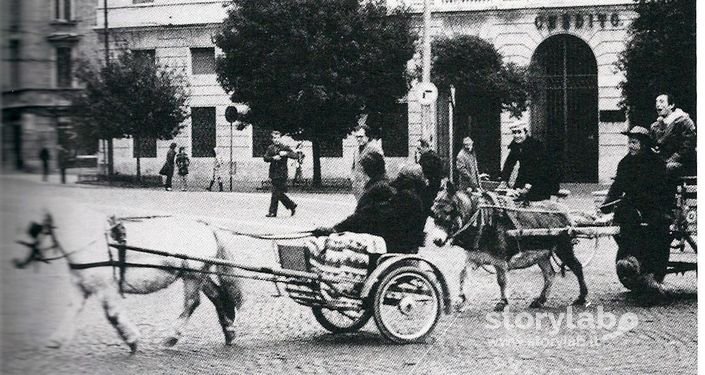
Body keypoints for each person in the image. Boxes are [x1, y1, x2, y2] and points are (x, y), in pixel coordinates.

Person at [601, 126, 671, 294]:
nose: (630, 146)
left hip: (654, 205)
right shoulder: (625, 163)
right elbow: (617, 186)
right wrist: (606, 205)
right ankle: (630, 259)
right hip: (631, 206)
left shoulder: (657, 163)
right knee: (622, 221)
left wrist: (643, 200)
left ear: (644, 144)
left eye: (634, 142)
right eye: (629, 142)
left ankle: (653, 274)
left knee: (659, 228)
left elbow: (661, 190)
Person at [314, 156, 426, 254]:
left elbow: (371, 216)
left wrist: (337, 229)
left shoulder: (405, 196)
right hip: (400, 242)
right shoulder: (412, 196)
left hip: (393, 244)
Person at [499, 122, 559, 201]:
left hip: (543, 177)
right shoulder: (516, 146)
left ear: (526, 132)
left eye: (519, 132)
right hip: (525, 175)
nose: (517, 135)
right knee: (514, 195)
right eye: (514, 132)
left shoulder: (535, 146)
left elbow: (537, 168)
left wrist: (527, 186)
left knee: (531, 200)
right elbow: (509, 164)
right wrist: (504, 180)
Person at [649, 93, 697, 189]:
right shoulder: (655, 126)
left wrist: (671, 159)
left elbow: (688, 145)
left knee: (667, 168)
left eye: (662, 101)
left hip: (682, 163)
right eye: (656, 102)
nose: (658, 105)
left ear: (671, 105)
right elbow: (652, 144)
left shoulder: (684, 121)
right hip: (661, 162)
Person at [264, 130, 298, 217]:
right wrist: (273, 158)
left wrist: (286, 153)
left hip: (282, 173)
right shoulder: (270, 148)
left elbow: (295, 155)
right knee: (277, 193)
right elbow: (265, 158)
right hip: (273, 173)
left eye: (278, 138)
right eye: (274, 138)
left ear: (280, 138)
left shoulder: (284, 147)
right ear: (272, 139)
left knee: (276, 192)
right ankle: (291, 205)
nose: (276, 140)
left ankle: (273, 212)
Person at [351, 124, 384, 200]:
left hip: (371, 187)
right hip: (359, 188)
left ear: (368, 136)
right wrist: (353, 179)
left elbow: (381, 168)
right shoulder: (356, 150)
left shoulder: (375, 149)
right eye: (357, 137)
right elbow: (354, 166)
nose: (359, 139)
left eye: (361, 136)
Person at [417, 138, 444, 216]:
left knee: (426, 206)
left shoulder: (426, 157)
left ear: (425, 147)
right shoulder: (434, 155)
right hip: (434, 185)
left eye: (419, 148)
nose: (418, 151)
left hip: (428, 186)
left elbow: (424, 172)